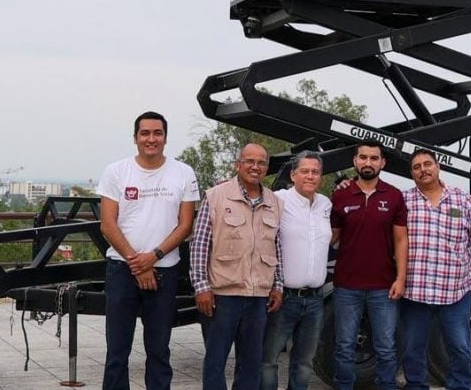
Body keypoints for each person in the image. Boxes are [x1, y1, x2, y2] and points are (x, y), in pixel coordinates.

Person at [97, 111, 200, 390]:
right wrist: (137, 263)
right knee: (117, 352)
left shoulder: (183, 172)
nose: (151, 139)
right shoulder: (116, 171)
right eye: (145, 133)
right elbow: (108, 224)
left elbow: (185, 224)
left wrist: (152, 257)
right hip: (122, 270)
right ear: (135, 138)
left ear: (165, 138)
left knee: (159, 351)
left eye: (157, 133)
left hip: (164, 271)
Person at [189, 143, 284, 390]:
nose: (255, 167)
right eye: (249, 161)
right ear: (238, 164)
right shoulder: (216, 196)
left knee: (251, 364)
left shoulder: (274, 201)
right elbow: (199, 244)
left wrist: (278, 285)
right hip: (223, 295)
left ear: (266, 167)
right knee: (215, 361)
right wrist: (201, 287)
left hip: (258, 297)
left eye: (261, 162)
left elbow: (277, 246)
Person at [400, 148, 471, 390]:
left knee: (460, 348)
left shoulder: (461, 199)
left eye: (427, 164)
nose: (423, 169)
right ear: (412, 173)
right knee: (412, 349)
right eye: (417, 167)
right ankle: (415, 386)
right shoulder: (404, 201)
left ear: (437, 166)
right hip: (415, 292)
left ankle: (460, 386)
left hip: (454, 292)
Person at [330, 140, 408, 390]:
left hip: (383, 287)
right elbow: (330, 238)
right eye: (363, 157)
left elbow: (401, 239)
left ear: (382, 163)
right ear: (355, 161)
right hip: (346, 286)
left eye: (374, 158)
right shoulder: (340, 195)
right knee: (344, 347)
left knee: (386, 348)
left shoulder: (394, 195)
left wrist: (401, 278)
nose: (368, 162)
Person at [260, 151, 332, 390]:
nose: (310, 176)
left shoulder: (325, 204)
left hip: (315, 300)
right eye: (304, 171)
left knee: (304, 362)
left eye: (315, 172)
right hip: (284, 298)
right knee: (268, 360)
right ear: (293, 175)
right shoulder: (278, 199)